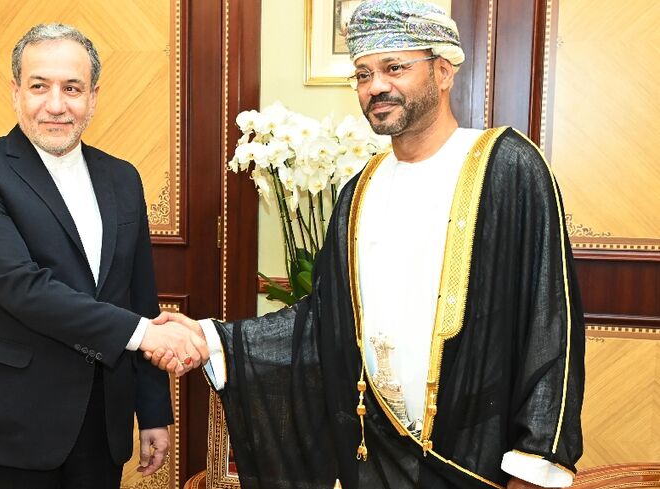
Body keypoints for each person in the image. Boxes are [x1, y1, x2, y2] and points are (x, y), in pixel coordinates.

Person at [149, 1, 585, 488]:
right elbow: (325, 319)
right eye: (362, 74)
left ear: (443, 72)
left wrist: (533, 464)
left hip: (475, 456)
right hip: (374, 454)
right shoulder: (361, 190)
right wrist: (211, 340)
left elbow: (548, 321)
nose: (376, 86)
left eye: (394, 67)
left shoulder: (506, 167)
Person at [0, 23, 207, 489]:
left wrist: (154, 410)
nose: (56, 105)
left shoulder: (122, 178)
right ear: (16, 91)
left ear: (93, 97)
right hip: (12, 422)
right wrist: (146, 337)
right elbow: (22, 287)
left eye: (72, 88)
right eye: (40, 86)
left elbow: (139, 295)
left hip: (102, 420)